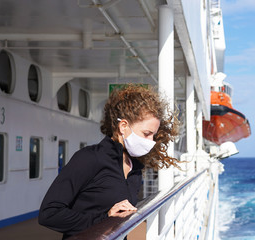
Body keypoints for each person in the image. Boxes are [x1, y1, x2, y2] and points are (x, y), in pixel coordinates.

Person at [39, 84, 179, 239]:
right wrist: (104, 219)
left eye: (153, 135)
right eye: (147, 134)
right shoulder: (89, 159)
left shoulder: (135, 169)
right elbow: (49, 213)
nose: (151, 141)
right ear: (123, 126)